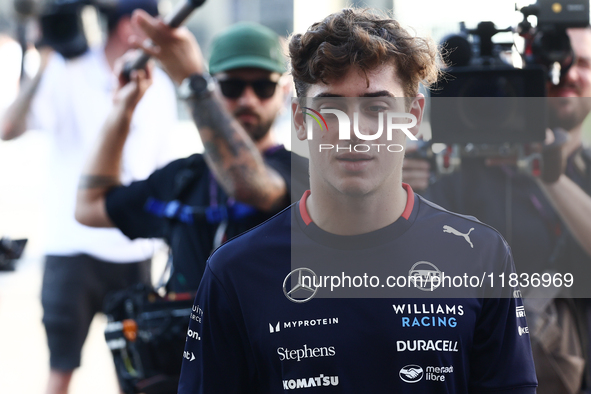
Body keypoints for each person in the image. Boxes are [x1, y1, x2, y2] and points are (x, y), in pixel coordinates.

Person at [178, 8, 537, 393]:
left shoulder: (480, 255)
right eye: (330, 109)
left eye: (377, 108)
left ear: (413, 116)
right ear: (300, 119)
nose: (354, 132)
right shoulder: (234, 272)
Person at [0, 1, 178, 393]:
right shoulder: (68, 71)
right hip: (73, 245)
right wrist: (46, 57)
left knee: (139, 375)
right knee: (61, 369)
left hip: (133, 250)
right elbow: (8, 126)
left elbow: (163, 169)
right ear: (131, 26)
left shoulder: (160, 86)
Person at [75, 17, 309, 292]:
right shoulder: (183, 179)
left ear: (283, 93)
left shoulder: (301, 172)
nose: (248, 99)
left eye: (263, 87)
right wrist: (122, 110)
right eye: (232, 87)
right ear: (215, 89)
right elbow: (89, 208)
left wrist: (191, 83)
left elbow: (250, 186)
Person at [416, 27, 591, 394]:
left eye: (584, 64)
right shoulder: (457, 174)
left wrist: (545, 167)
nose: (568, 74)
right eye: (553, 62)